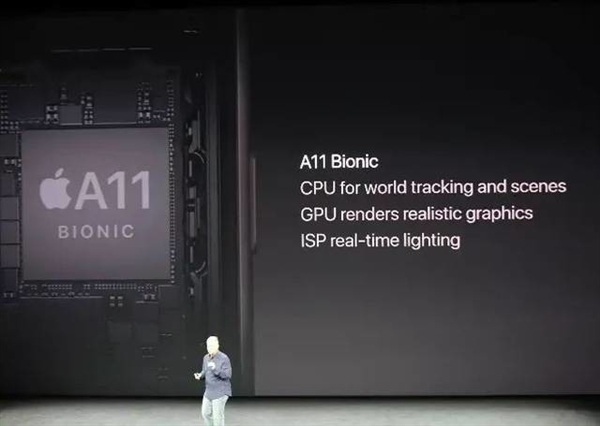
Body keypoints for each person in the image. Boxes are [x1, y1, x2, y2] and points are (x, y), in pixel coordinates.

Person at [194, 335, 232, 426]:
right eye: (208, 346)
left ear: (217, 345)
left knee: (217, 417)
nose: (209, 348)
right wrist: (200, 375)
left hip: (220, 392)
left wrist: (215, 369)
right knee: (205, 413)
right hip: (209, 391)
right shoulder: (206, 358)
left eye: (212, 346)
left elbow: (227, 375)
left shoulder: (224, 358)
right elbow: (205, 371)